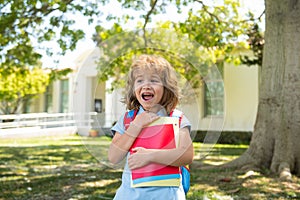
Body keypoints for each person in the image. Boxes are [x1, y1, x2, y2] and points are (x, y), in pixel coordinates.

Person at [108, 54, 194, 200]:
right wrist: (136, 125)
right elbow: (113, 157)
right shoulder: (128, 119)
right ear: (133, 88)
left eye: (154, 80)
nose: (146, 85)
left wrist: (149, 156)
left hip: (167, 196)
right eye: (139, 80)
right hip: (130, 196)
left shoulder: (177, 118)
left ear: (166, 88)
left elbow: (186, 155)